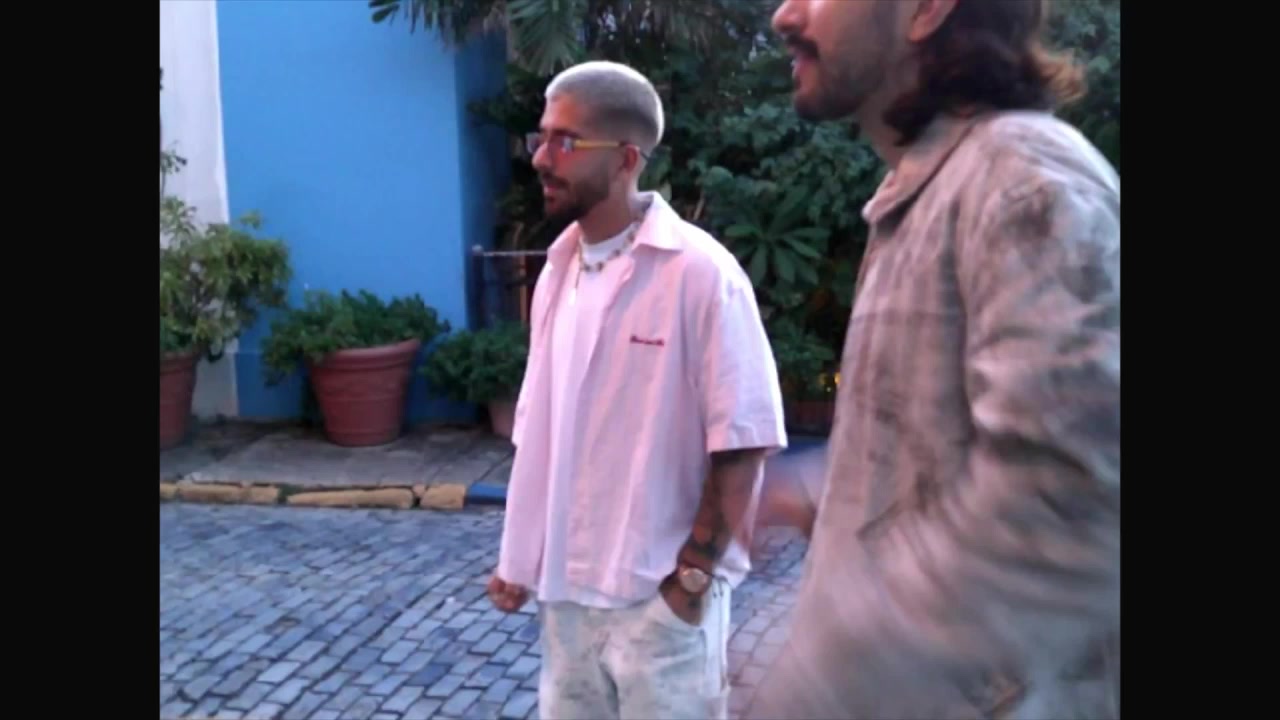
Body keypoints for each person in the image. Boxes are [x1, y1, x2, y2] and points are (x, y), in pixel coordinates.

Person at [749, 1, 1120, 718]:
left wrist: (817, 688)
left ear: (926, 10)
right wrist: (829, 489)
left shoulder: (1022, 182)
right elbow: (975, 444)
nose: (784, 16)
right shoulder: (929, 192)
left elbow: (1072, 507)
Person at [486, 60, 788, 720]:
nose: (541, 158)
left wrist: (689, 585)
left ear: (626, 158)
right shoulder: (557, 272)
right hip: (565, 604)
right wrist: (519, 557)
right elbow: (540, 427)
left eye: (565, 141)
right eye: (541, 137)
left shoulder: (701, 275)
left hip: (660, 611)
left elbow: (744, 441)